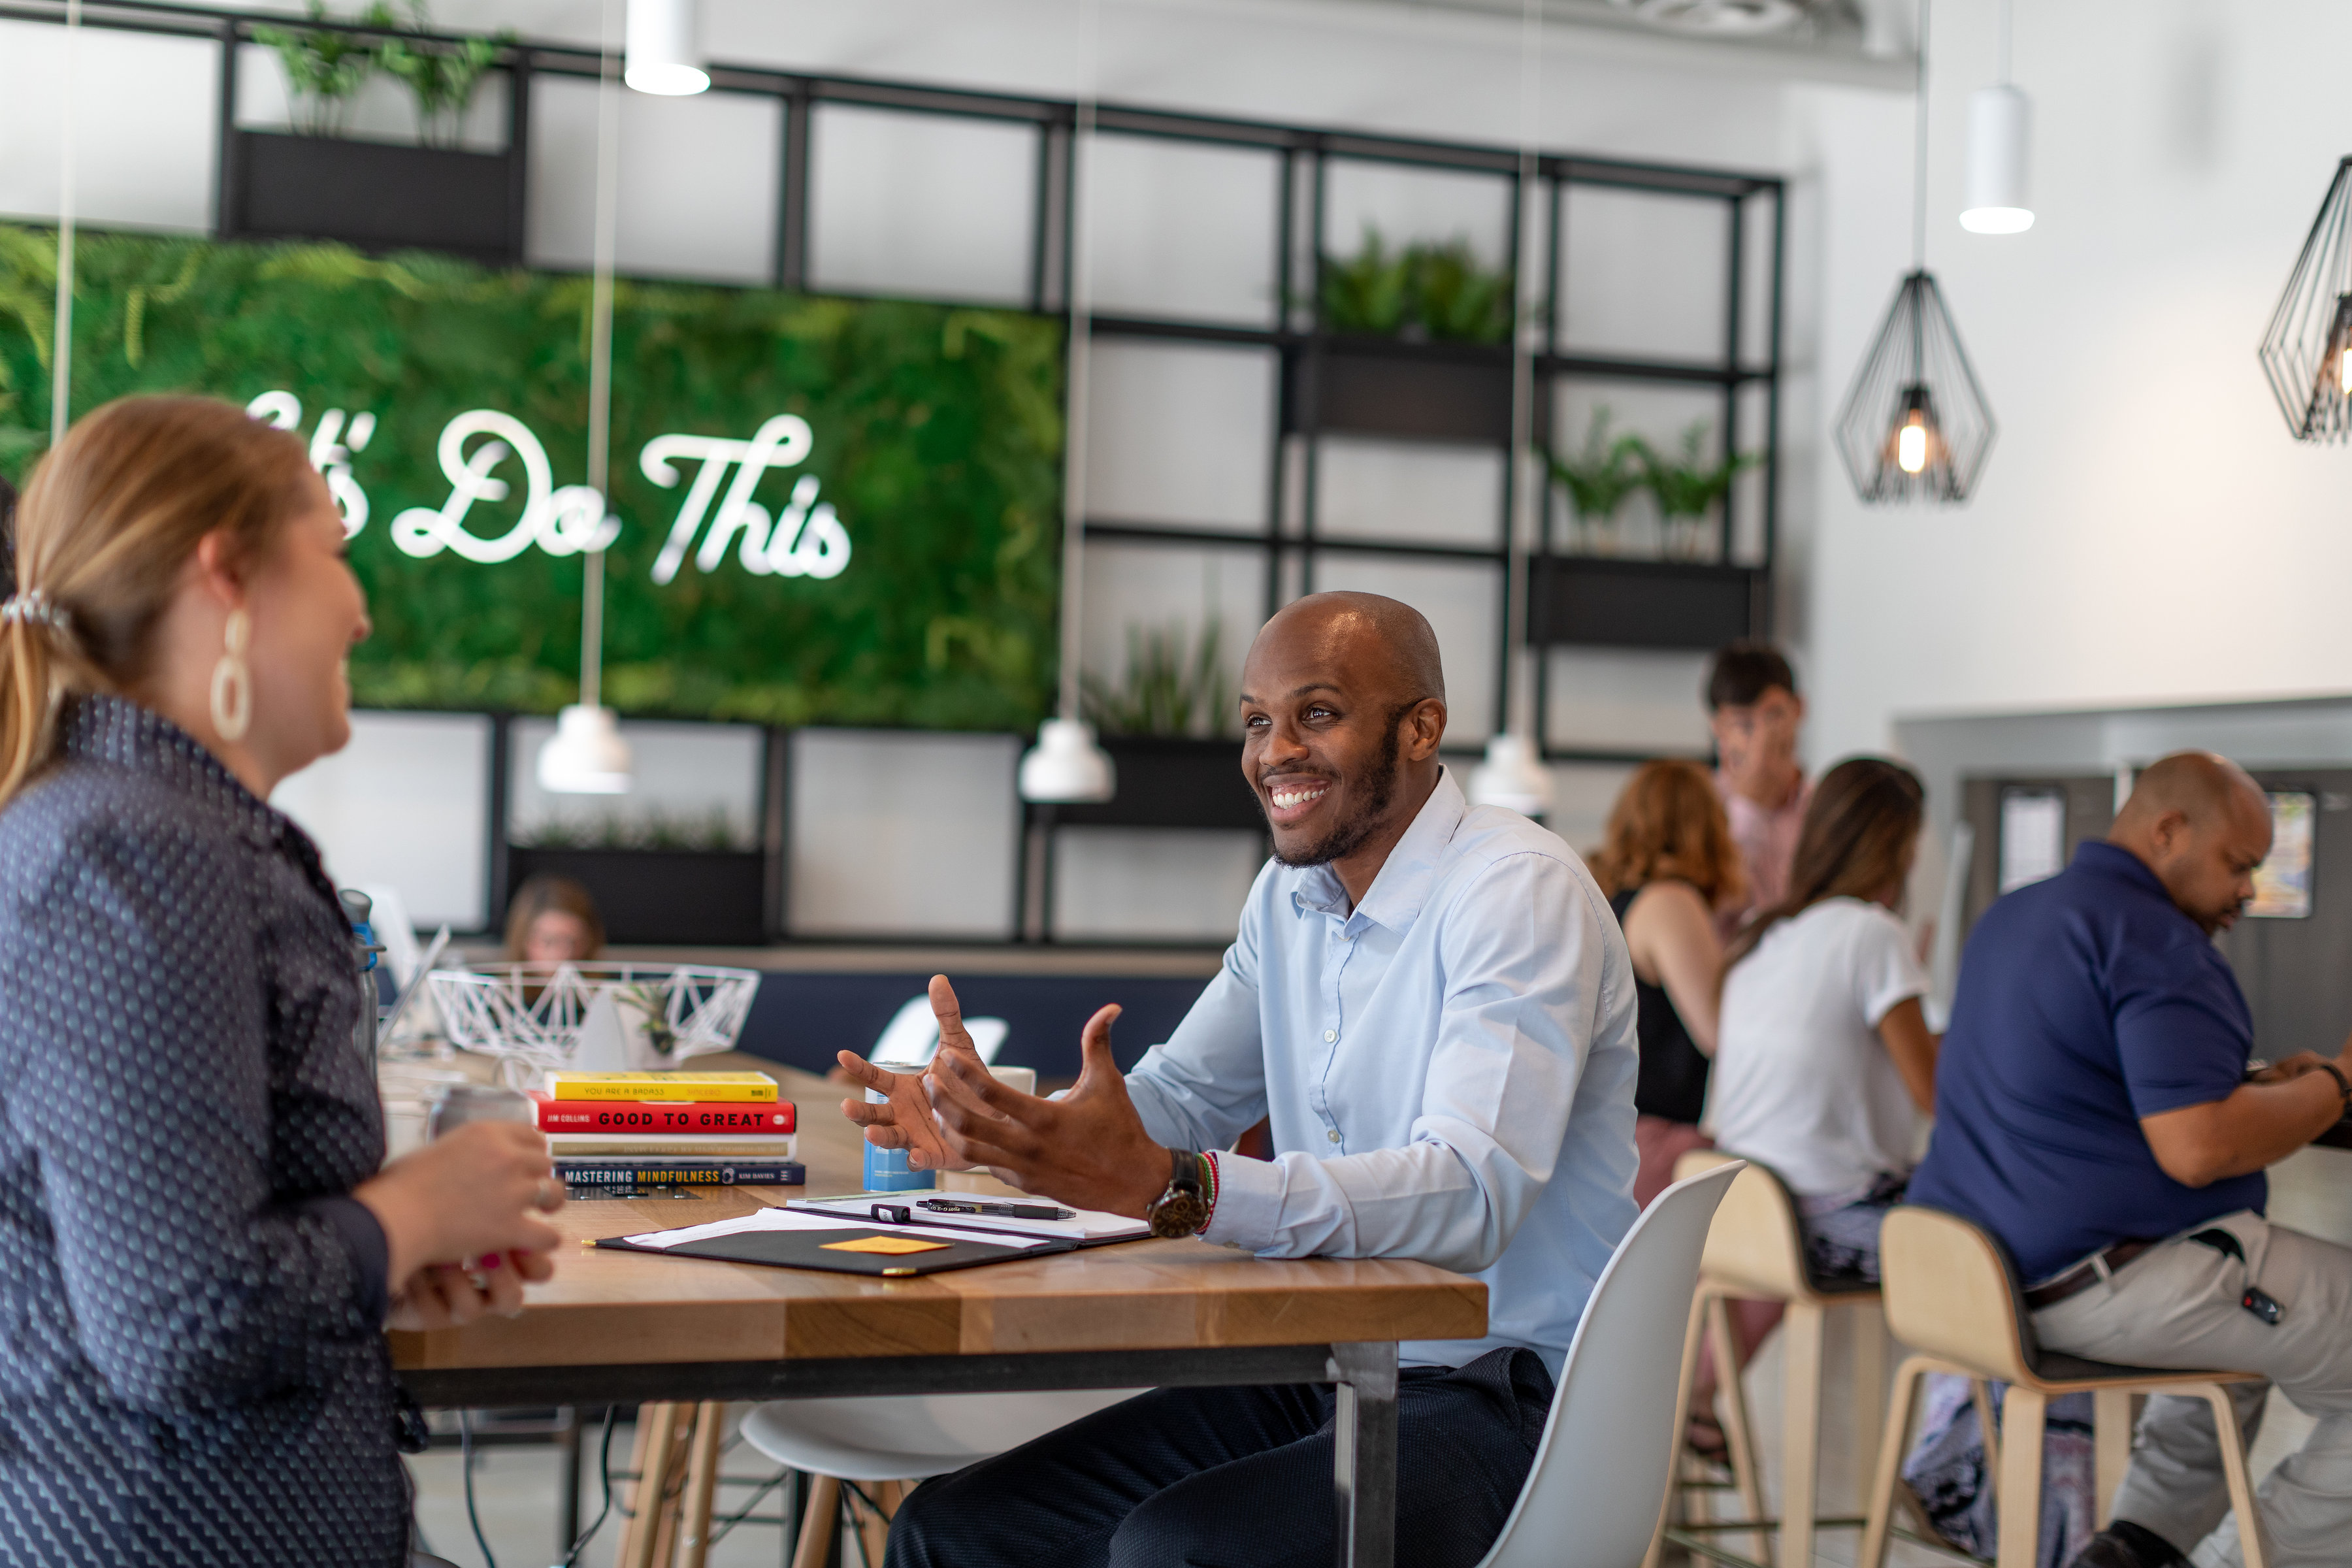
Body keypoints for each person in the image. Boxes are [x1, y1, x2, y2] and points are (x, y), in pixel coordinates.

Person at [840, 591, 1639, 1568]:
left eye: (1316, 714)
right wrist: (1010, 1130)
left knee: (1172, 1548)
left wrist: (1185, 1188)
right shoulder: (1289, 897)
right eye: (1257, 722)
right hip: (1336, 1361)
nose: (1274, 753)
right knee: (951, 1528)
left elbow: (1471, 1194)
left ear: (1422, 728)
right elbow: (1180, 1098)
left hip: (1506, 1395)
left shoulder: (1518, 891)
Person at [0, 397, 566, 1567]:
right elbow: (176, 1323)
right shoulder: (134, 851)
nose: (361, 614)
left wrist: (381, 1266)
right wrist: (408, 1213)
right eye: (338, 552)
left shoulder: (130, 827)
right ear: (230, 574)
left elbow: (164, 1254)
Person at [1907, 751, 2352, 1568]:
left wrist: (2262, 1087)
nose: (2249, 893)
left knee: (2238, 1358)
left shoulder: (2015, 916)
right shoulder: (2154, 939)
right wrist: (2336, 1085)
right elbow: (2197, 1147)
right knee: (2254, 1305)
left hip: (1977, 1273)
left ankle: (2136, 1549)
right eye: (2239, 866)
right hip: (2102, 1281)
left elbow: (2100, 1085)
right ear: (2169, 831)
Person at [1707, 755, 1938, 1281]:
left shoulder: (1761, 936)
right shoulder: (1873, 933)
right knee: (2006, 1246)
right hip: (1827, 1221)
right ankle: (1958, 1369)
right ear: (1897, 849)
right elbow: (1935, 1093)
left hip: (1746, 1215)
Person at [1587, 758, 1741, 1205]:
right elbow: (1718, 1033)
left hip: (1627, 1135)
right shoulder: (1670, 902)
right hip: (1666, 1143)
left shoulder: (1615, 900)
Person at [1705, 640, 1809, 931]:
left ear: (1799, 709)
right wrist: (1750, 807)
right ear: (1718, 727)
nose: (1762, 738)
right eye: (1744, 723)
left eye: (1774, 715)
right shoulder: (1697, 810)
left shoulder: (1824, 807)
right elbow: (1706, 914)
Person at [504, 872, 606, 963]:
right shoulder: (496, 983)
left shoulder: (607, 983)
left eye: (573, 942)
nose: (563, 955)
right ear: (522, 938)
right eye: (548, 941)